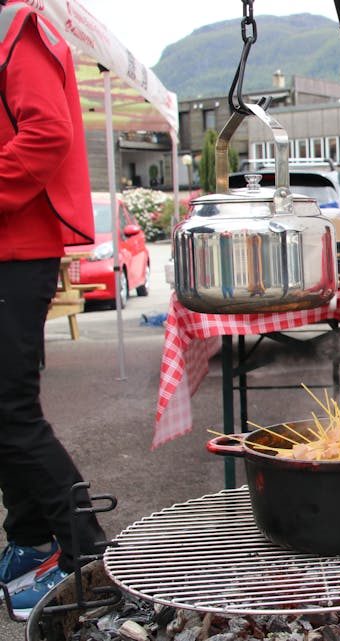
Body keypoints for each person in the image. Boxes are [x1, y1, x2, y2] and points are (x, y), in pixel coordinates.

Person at [0, 0, 107, 618]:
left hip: (17, 251)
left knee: (9, 412)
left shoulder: (19, 26)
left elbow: (47, 133)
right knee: (5, 412)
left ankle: (85, 556)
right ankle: (28, 543)